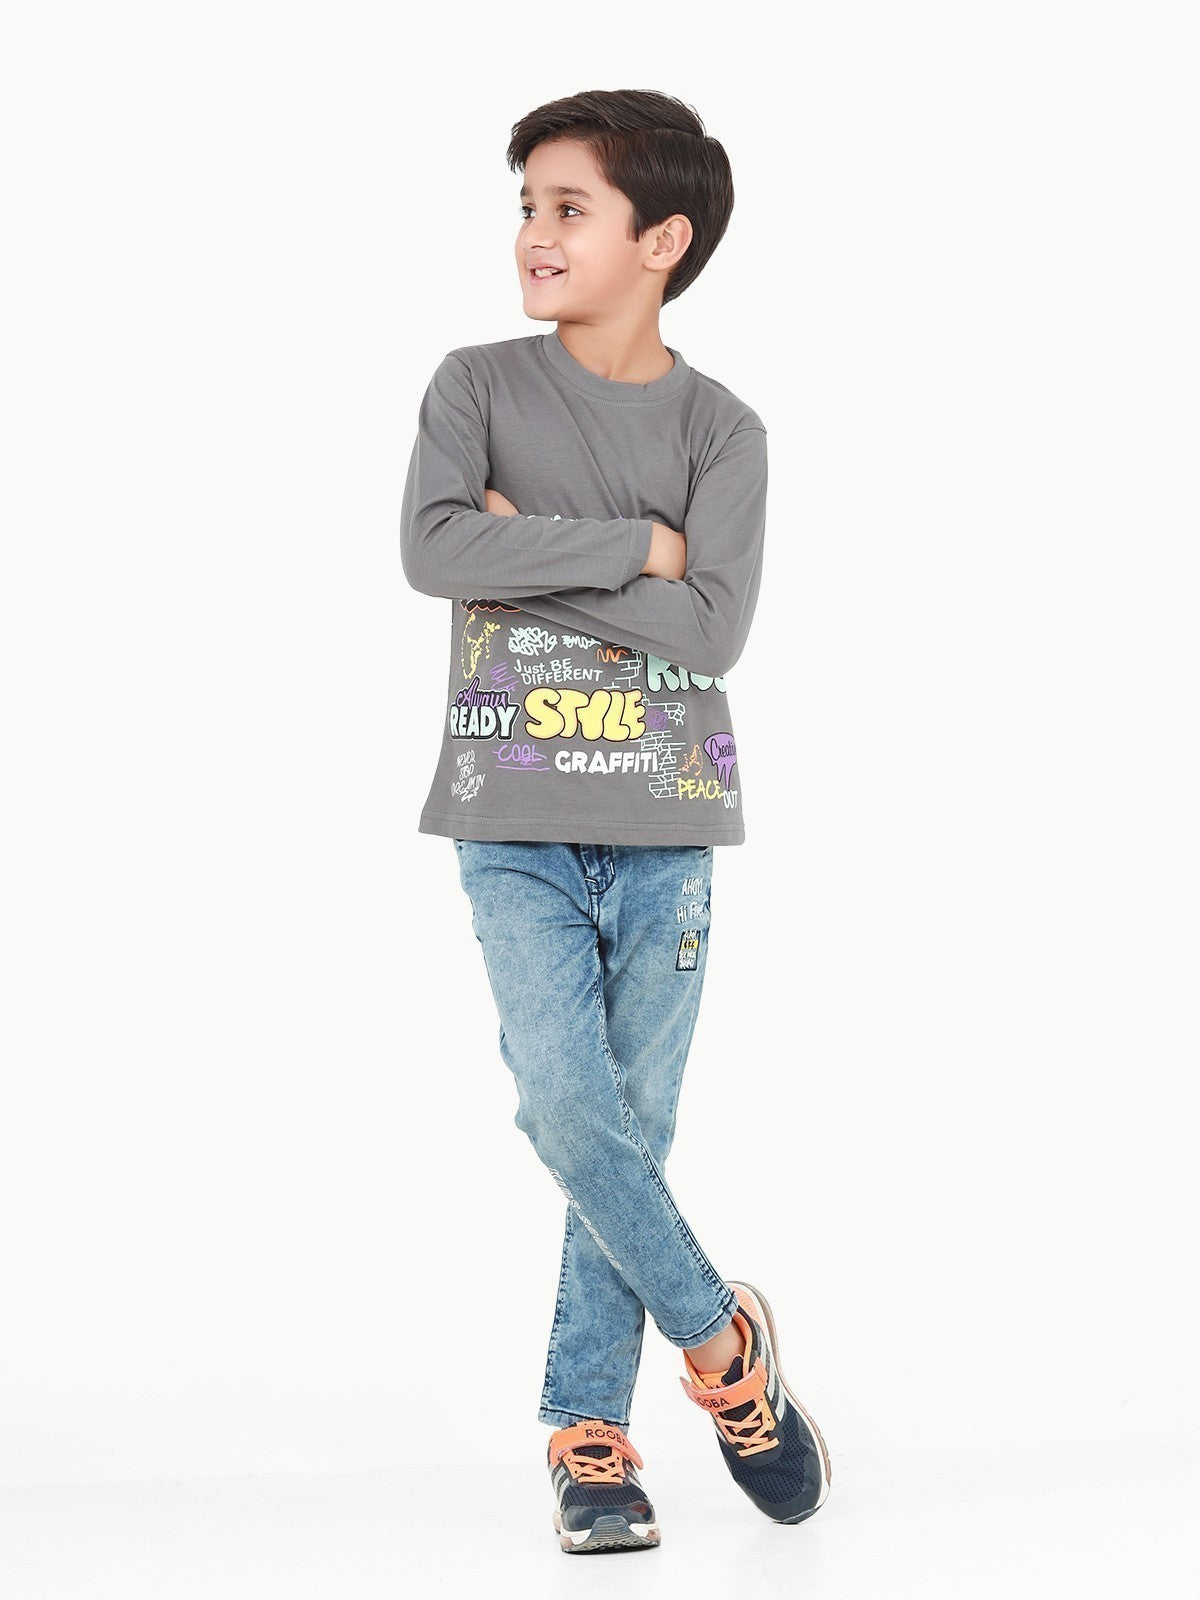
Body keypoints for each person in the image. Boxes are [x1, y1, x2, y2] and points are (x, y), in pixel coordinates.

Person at [400, 87, 830, 1554]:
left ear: (663, 240)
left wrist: (522, 551)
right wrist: (638, 548)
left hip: (666, 820)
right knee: (567, 1109)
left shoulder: (726, 430)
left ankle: (589, 1436)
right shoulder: (473, 384)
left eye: (568, 207)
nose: (534, 232)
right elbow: (433, 549)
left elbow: (712, 632)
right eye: (526, 205)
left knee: (625, 1132)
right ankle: (722, 1343)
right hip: (507, 808)